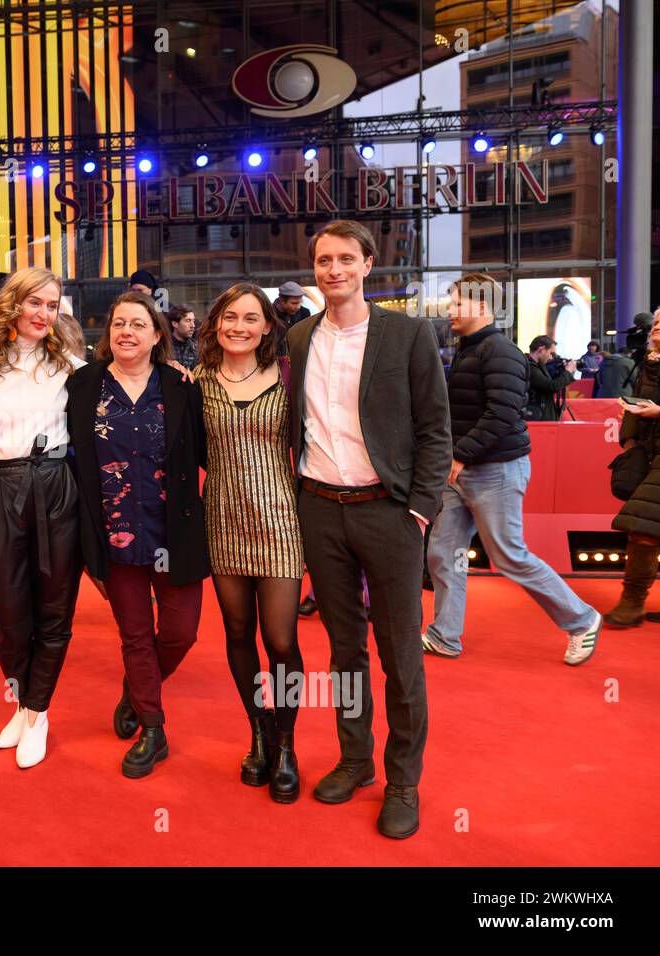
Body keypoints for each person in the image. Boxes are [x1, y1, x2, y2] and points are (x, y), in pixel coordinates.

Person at [286, 219, 451, 839]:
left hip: (389, 512)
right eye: (324, 260)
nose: (333, 269)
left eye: (345, 259)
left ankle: (403, 779)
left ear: (367, 265)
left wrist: (420, 509)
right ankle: (355, 760)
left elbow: (437, 428)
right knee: (343, 649)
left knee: (401, 652)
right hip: (321, 509)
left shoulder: (406, 335)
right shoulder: (300, 337)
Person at [0, 266, 87, 769]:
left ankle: (36, 711)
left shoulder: (69, 364)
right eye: (36, 303)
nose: (44, 314)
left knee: (54, 608)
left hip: (55, 487)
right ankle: (24, 703)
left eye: (53, 305)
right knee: (6, 614)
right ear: (14, 304)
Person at [423, 274, 602, 664]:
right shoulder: (471, 349)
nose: (450, 311)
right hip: (463, 468)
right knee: (443, 552)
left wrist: (459, 455)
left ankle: (581, 619)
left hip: (496, 469)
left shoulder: (499, 350)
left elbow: (502, 414)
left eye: (458, 304)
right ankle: (445, 635)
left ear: (483, 307)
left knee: (508, 555)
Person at [66, 292, 208, 778]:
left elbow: (209, 451)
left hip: (176, 531)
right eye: (118, 323)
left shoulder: (182, 386)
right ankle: (153, 726)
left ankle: (135, 689)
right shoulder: (83, 386)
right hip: (114, 534)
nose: (126, 331)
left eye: (137, 325)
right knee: (134, 635)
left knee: (180, 632)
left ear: (156, 336)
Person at [194, 283, 306, 802]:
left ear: (267, 326)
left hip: (281, 521)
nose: (239, 326)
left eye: (250, 318)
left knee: (281, 640)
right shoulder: (194, 384)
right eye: (229, 316)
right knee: (238, 633)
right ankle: (257, 732)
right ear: (217, 324)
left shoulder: (288, 378)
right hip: (221, 519)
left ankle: (286, 743)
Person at [605, 308, 660, 628]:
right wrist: (629, 442)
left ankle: (633, 602)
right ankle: (633, 602)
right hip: (651, 451)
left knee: (643, 525)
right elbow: (638, 401)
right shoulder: (650, 363)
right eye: (656, 322)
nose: (657, 327)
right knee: (645, 524)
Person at [525, 335, 575, 421]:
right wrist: (568, 372)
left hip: (542, 415)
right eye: (550, 353)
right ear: (541, 350)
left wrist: (563, 371)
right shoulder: (530, 367)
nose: (550, 357)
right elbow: (551, 386)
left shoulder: (539, 366)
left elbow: (551, 382)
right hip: (538, 418)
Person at [167, 304, 198, 370]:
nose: (193, 325)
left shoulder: (197, 348)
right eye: (188, 321)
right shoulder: (163, 348)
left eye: (193, 321)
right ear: (175, 324)